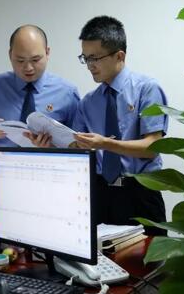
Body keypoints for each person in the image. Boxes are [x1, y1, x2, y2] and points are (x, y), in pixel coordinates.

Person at [29, 16, 168, 234]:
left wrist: (105, 144)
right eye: (85, 58)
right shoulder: (88, 102)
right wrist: (48, 144)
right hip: (99, 193)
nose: (89, 65)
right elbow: (78, 149)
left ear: (119, 56)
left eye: (95, 58)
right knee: (101, 255)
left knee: (148, 255)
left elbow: (152, 147)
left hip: (141, 192)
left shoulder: (147, 89)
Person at [0, 24, 80, 146]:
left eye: (35, 60)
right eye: (20, 60)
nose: (28, 68)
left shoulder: (67, 93)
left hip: (48, 159)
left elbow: (78, 146)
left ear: (47, 53)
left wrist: (50, 147)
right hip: (2, 158)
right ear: (10, 55)